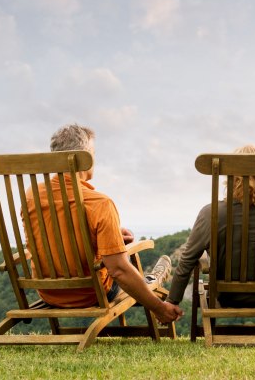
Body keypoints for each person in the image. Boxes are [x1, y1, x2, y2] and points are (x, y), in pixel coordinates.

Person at [23, 124, 182, 324]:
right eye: (93, 154)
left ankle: (149, 280)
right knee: (128, 260)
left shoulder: (31, 195)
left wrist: (110, 235)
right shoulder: (99, 203)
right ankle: (152, 280)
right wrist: (159, 308)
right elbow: (118, 270)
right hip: (91, 293)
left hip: (49, 293)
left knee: (118, 250)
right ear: (84, 158)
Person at [167, 144, 255, 308]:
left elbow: (187, 259)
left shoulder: (211, 213)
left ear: (232, 176)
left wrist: (173, 300)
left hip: (230, 296)